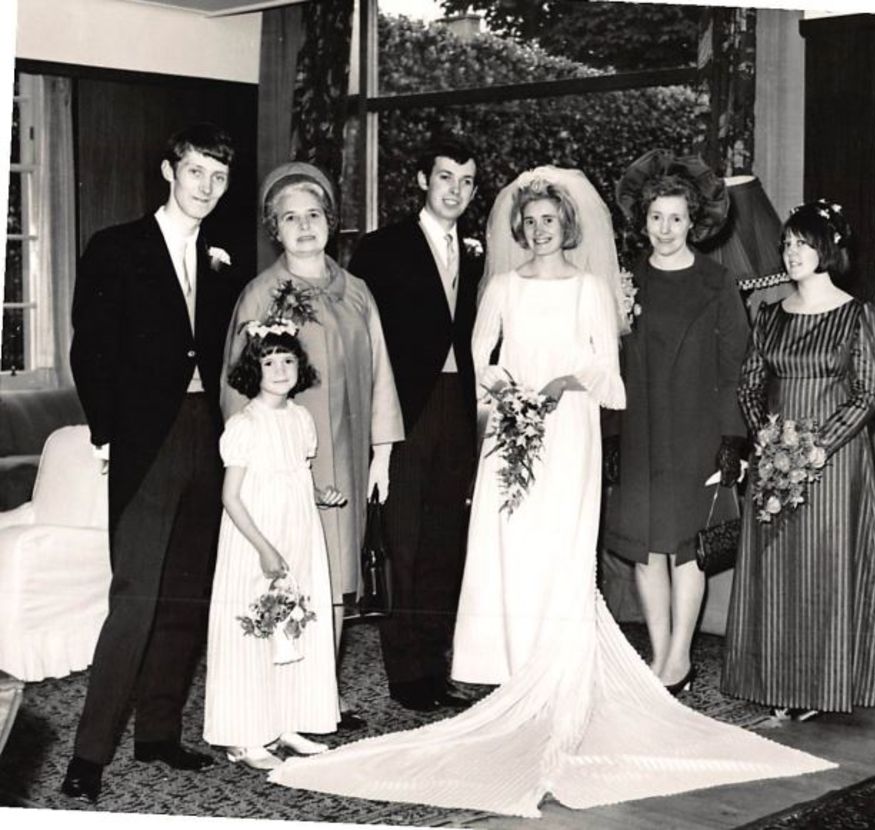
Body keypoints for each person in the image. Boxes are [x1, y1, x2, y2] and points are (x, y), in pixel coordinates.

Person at [268, 167, 834, 818]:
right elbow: (481, 354)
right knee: (512, 545)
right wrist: (507, 395)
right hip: (515, 426)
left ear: (568, 227)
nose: (541, 230)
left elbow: (605, 361)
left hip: (570, 431)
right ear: (521, 229)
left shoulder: (592, 287)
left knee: (563, 545)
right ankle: (513, 665)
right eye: (531, 221)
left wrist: (567, 383)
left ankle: (564, 669)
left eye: (550, 221)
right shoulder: (503, 285)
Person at [63, 123, 243, 803]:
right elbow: (92, 349)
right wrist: (111, 436)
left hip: (212, 436)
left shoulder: (228, 259)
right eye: (197, 172)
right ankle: (88, 754)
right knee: (135, 599)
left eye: (219, 178)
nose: (207, 188)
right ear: (170, 171)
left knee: (185, 594)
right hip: (148, 440)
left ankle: (160, 733)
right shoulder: (117, 247)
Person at [222, 162, 404, 728]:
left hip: (345, 460)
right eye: (290, 218)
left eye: (314, 215)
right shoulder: (260, 296)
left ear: (331, 221)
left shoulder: (358, 293)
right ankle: (284, 703)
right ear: (274, 229)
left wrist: (384, 453)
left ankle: (319, 695)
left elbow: (381, 375)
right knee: (293, 572)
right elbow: (238, 390)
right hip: (285, 469)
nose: (304, 227)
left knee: (337, 578)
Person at [720, 200, 875, 719]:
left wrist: (812, 447)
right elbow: (749, 384)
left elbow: (866, 394)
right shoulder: (769, 315)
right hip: (775, 457)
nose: (792, 252)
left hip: (834, 463)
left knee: (824, 569)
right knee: (776, 569)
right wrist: (770, 441)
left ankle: (825, 686)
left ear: (828, 249)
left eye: (803, 243)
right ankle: (774, 681)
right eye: (787, 243)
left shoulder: (856, 313)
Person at [603, 150, 749, 692]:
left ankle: (680, 657)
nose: (665, 229)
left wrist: (733, 439)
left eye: (676, 218)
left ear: (695, 222)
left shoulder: (718, 283)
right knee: (647, 546)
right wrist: (613, 433)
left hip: (697, 431)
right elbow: (610, 364)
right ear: (644, 221)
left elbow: (735, 369)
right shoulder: (626, 281)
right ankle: (661, 655)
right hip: (640, 429)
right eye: (656, 218)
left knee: (686, 547)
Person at [345, 138, 482, 711]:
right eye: (446, 177)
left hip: (458, 406)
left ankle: (434, 665)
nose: (456, 190)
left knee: (446, 543)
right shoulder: (382, 249)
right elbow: (363, 341)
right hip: (403, 406)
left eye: (467, 181)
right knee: (403, 540)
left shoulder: (477, 254)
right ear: (424, 180)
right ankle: (405, 674)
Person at [203, 325, 343, 769]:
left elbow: (295, 475)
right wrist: (263, 548)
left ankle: (285, 722)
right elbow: (231, 496)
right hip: (255, 539)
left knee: (294, 624)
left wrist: (322, 494)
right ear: (253, 369)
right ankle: (244, 736)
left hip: (298, 532)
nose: (280, 370)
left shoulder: (300, 418)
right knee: (253, 630)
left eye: (287, 360)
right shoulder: (244, 425)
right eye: (268, 362)